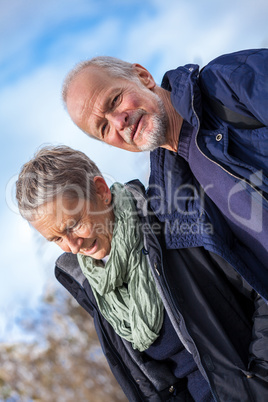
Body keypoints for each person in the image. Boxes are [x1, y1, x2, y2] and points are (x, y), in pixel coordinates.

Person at [16, 145, 268, 401]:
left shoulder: (173, 218)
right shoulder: (94, 288)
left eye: (74, 224)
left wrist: (260, 379)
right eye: (56, 238)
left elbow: (261, 286)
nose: (72, 246)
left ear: (101, 191)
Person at [62, 49, 268, 304]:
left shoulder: (229, 81)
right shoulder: (171, 205)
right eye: (104, 128)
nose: (119, 122)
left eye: (114, 100)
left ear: (142, 76)